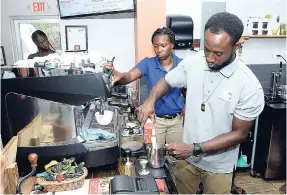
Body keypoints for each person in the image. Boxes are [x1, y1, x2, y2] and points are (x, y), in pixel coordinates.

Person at [137, 12, 264, 194]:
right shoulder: (194, 63)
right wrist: (150, 100)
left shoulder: (249, 86)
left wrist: (194, 148)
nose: (210, 58)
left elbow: (239, 133)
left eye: (218, 53)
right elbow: (167, 80)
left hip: (218, 167)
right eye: (207, 49)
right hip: (187, 160)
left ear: (236, 46)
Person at [106, 27, 185, 145]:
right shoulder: (148, 63)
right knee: (154, 154)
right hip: (155, 120)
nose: (159, 50)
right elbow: (130, 75)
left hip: (177, 121)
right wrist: (120, 75)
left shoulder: (182, 64)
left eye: (163, 45)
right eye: (155, 46)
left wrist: (187, 106)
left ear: (172, 45)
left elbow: (192, 90)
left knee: (176, 158)